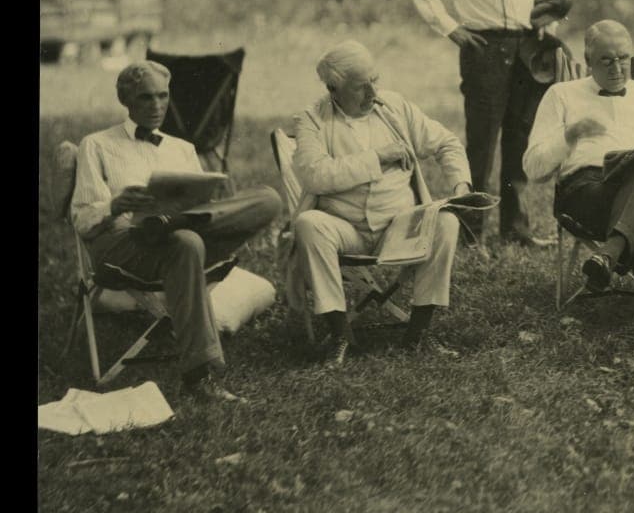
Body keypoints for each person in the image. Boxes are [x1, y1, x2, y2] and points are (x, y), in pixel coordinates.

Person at [71, 61, 282, 402]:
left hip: (176, 237)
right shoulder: (96, 145)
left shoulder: (181, 148)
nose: (156, 106)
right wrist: (116, 204)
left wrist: (190, 211)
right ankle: (199, 376)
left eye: (162, 96)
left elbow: (201, 202)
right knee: (186, 242)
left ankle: (167, 224)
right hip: (122, 242)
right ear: (126, 100)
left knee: (268, 199)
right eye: (145, 98)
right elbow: (82, 220)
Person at [523, 20, 634, 350]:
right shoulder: (561, 95)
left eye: (624, 58)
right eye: (606, 60)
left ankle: (610, 253)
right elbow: (533, 169)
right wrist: (570, 135)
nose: (618, 67)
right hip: (587, 193)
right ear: (587, 60)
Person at [286, 40, 473, 357]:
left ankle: (418, 334)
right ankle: (340, 335)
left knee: (446, 222)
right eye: (361, 87)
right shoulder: (312, 119)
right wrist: (378, 157)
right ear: (334, 89)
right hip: (346, 230)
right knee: (308, 224)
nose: (373, 94)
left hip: (398, 227)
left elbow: (447, 143)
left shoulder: (395, 107)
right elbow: (315, 175)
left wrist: (460, 187)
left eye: (375, 80)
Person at [408, 0, 557, 247]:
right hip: (483, 50)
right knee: (481, 145)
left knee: (519, 141)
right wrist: (450, 28)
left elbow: (539, 1)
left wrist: (545, 26)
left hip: (526, 51)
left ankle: (516, 230)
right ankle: (470, 234)